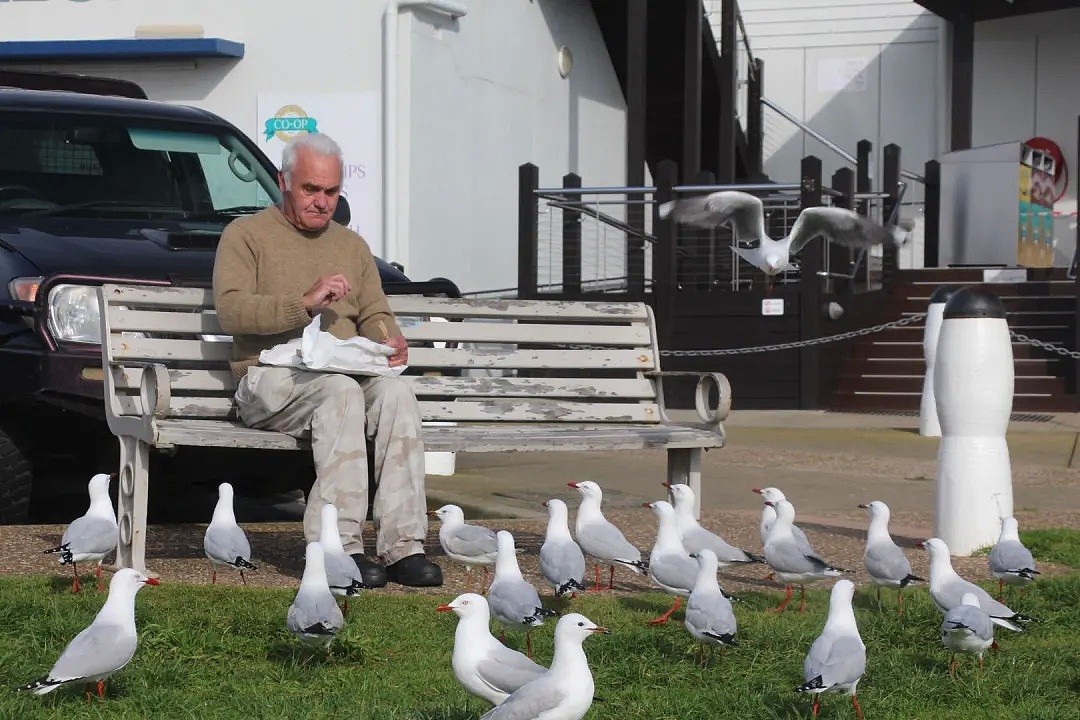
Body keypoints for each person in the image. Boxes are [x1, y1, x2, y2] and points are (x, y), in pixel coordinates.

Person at [212, 132, 442, 587]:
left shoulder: (351, 246)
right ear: (283, 182)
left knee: (396, 392)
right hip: (267, 377)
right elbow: (231, 310)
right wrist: (304, 303)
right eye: (310, 190)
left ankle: (404, 547)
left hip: (344, 372)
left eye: (331, 192)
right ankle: (337, 549)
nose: (322, 202)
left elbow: (374, 311)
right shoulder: (245, 235)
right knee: (339, 393)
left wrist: (388, 338)